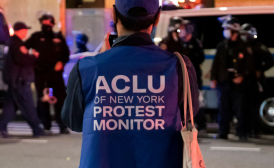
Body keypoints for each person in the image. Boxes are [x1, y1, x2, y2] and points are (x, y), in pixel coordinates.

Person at [61, 0, 199, 167]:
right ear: (156, 18)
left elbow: (73, 121)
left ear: (114, 15)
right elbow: (190, 114)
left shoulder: (87, 68)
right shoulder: (179, 66)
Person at [0, 22, 44, 138]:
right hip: (20, 80)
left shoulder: (10, 42)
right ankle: (37, 129)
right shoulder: (17, 43)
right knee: (28, 106)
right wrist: (34, 56)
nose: (26, 32)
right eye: (25, 30)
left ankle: (1, 128)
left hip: (14, 80)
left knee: (10, 106)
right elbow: (22, 60)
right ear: (19, 30)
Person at [210, 16, 256, 141]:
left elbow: (250, 65)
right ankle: (223, 132)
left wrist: (242, 76)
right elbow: (216, 64)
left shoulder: (244, 46)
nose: (225, 31)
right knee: (223, 108)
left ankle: (242, 133)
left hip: (239, 83)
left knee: (240, 109)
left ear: (234, 30)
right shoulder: (222, 46)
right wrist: (213, 78)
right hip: (224, 81)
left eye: (227, 28)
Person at [26, 13, 70, 134]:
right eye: (45, 22)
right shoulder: (35, 37)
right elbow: (24, 48)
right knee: (43, 100)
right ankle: (46, 126)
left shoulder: (58, 37)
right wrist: (32, 57)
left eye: (49, 22)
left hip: (56, 74)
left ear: (53, 23)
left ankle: (62, 126)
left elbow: (66, 54)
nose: (47, 25)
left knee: (60, 99)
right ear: (41, 23)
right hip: (40, 73)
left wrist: (62, 62)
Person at [240, 23, 274, 138]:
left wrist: (260, 69)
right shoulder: (241, 46)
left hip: (255, 81)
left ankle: (255, 131)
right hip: (244, 81)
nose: (243, 36)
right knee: (243, 106)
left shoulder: (259, 46)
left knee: (255, 107)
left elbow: (270, 61)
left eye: (245, 34)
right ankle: (244, 130)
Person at [178, 19, 207, 133]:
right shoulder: (180, 43)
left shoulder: (196, 43)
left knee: (195, 102)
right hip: (182, 77)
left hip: (194, 78)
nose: (180, 31)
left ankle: (201, 124)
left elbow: (201, 58)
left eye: (182, 29)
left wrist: (190, 53)